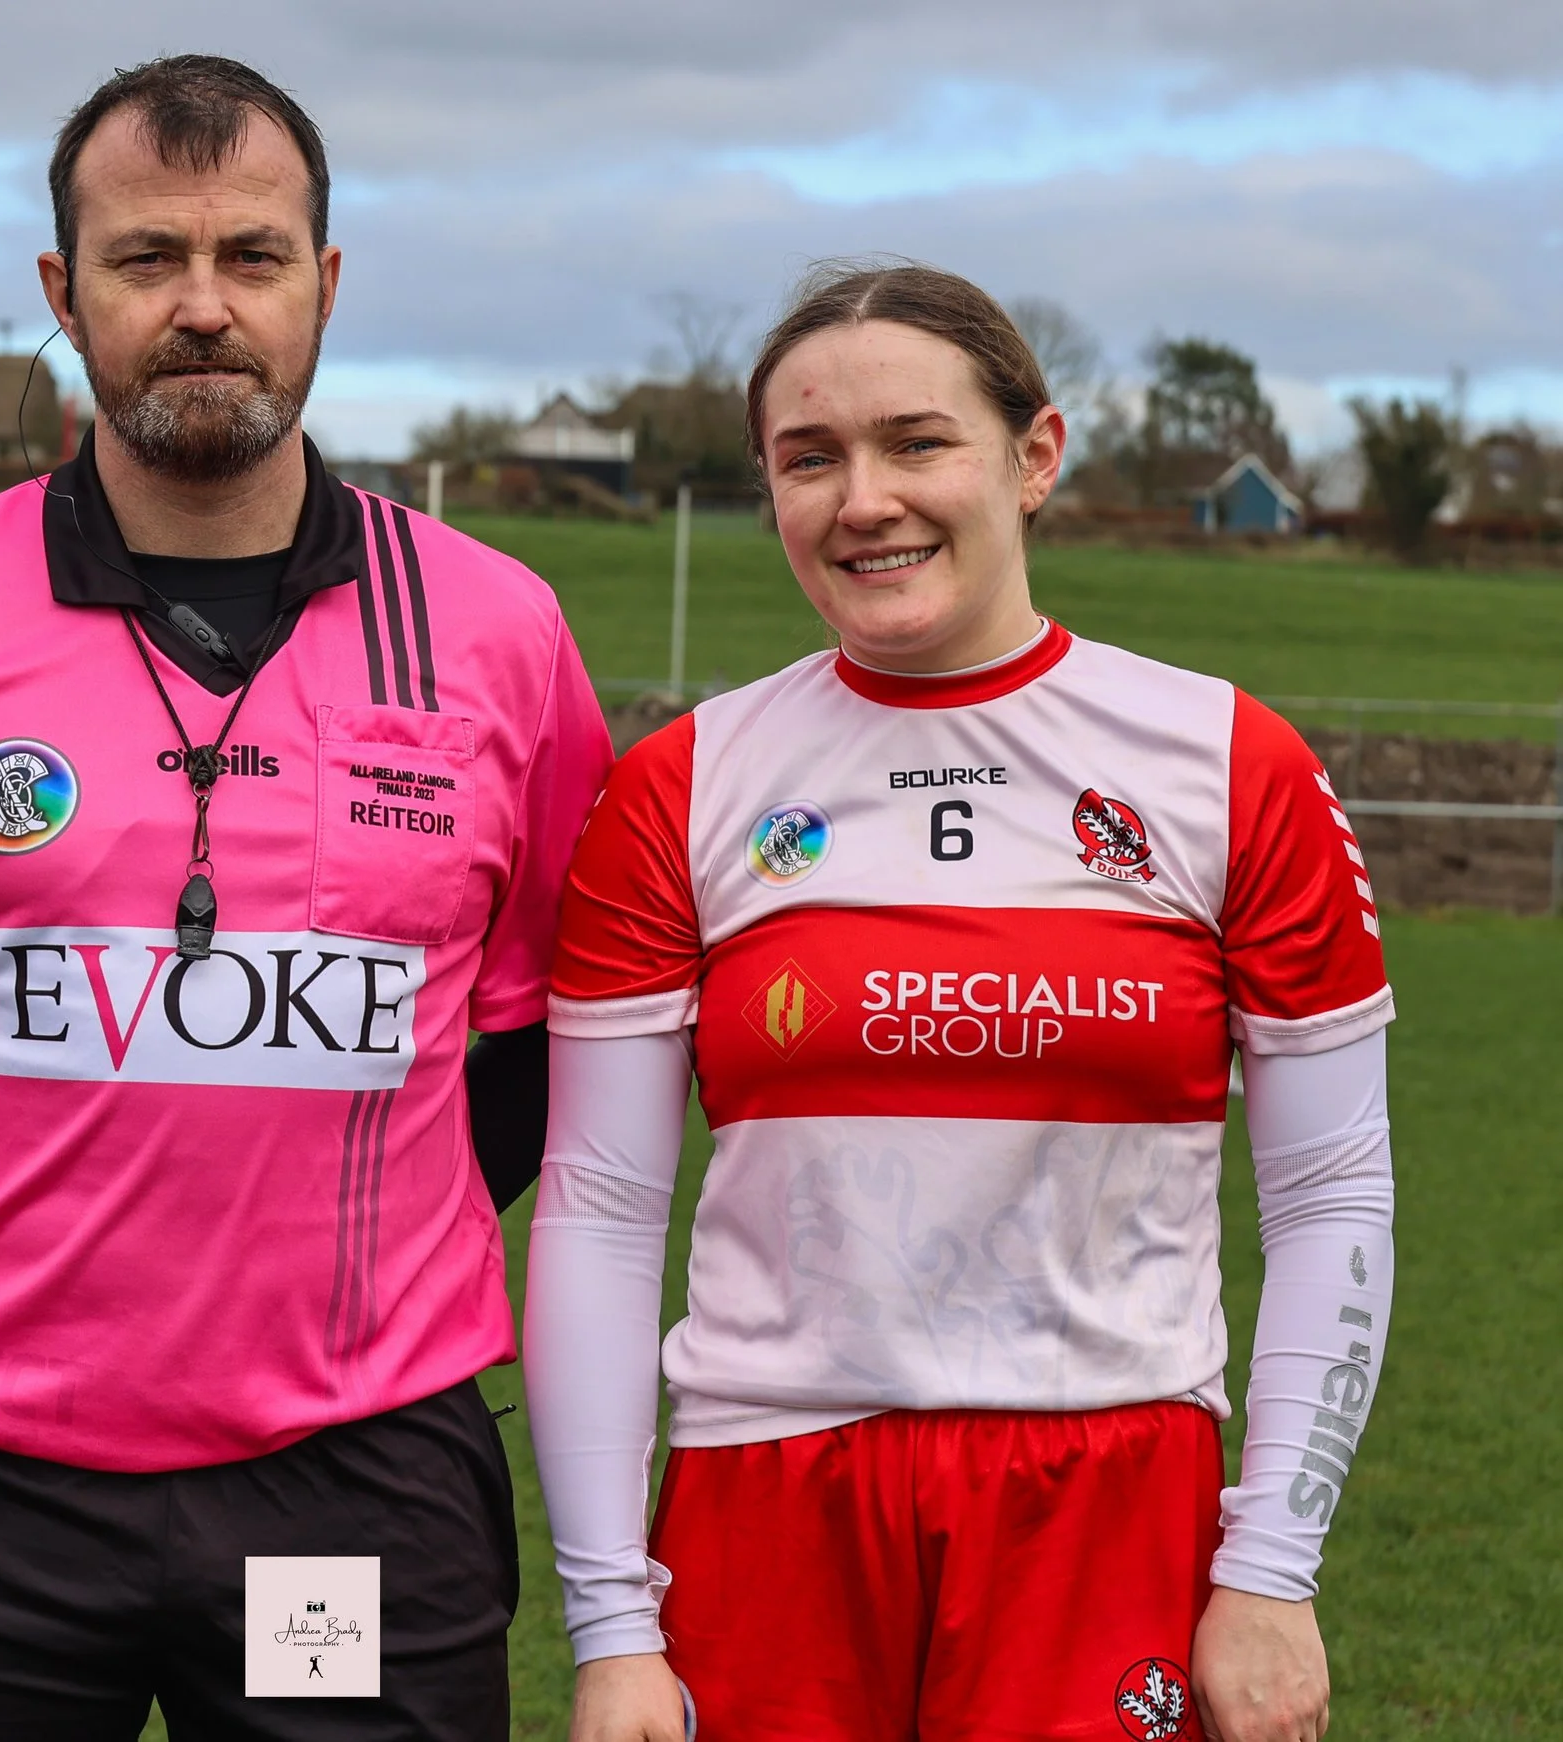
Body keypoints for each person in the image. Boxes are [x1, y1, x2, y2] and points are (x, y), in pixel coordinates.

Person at [0, 54, 610, 1740]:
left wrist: (354, 1251)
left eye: (253, 258)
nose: (204, 307)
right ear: (63, 293)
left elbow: (535, 1047)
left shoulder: (497, 629)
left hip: (339, 1492)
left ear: (325, 284)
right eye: (146, 261)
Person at [524, 262, 1393, 1742]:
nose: (864, 499)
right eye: (812, 459)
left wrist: (1272, 1564)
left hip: (1111, 1498)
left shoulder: (1231, 765)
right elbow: (601, 1209)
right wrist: (613, 1618)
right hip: (767, 1499)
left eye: (917, 442)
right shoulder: (679, 788)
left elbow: (1331, 1195)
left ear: (1033, 455)